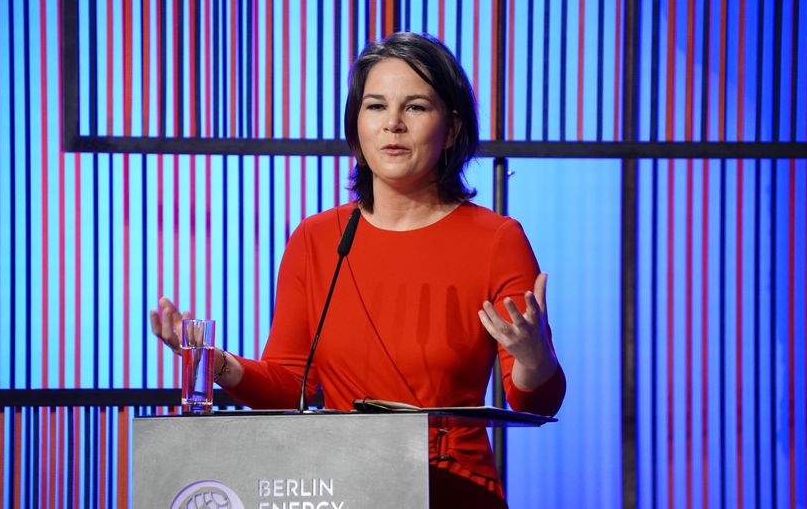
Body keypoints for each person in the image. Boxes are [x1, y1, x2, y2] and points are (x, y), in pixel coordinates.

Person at [151, 32, 565, 508]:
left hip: (454, 489)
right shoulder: (316, 239)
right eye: (375, 106)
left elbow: (535, 401)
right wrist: (216, 364)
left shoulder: (496, 239)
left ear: (450, 129)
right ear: (356, 125)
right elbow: (294, 388)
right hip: (344, 487)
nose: (392, 124)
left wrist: (535, 358)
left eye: (415, 107)